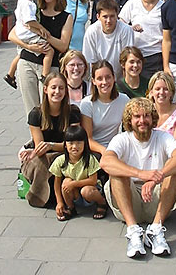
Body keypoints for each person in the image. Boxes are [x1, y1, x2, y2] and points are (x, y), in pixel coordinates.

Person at [101, 98, 176, 258]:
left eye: (146, 116)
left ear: (153, 117)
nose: (142, 120)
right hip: (129, 201)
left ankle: (155, 229)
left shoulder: (162, 137)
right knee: (116, 171)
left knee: (174, 168)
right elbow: (105, 162)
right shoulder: (121, 139)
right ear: (130, 120)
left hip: (157, 202)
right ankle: (133, 231)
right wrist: (140, 174)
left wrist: (158, 176)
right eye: (137, 116)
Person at [9, 0, 73, 115]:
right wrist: (29, 47)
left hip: (51, 66)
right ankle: (35, 137)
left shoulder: (66, 17)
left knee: (49, 107)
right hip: (27, 61)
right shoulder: (33, 12)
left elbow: (63, 46)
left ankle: (48, 135)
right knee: (31, 108)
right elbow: (12, 35)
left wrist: (45, 35)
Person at [19, 72, 81, 207]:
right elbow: (40, 146)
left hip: (65, 153)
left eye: (61, 88)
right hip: (44, 154)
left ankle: (47, 195)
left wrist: (51, 146)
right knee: (40, 161)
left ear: (66, 90)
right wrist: (42, 148)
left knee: (64, 159)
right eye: (53, 87)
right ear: (45, 89)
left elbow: (73, 144)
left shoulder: (73, 113)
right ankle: (39, 195)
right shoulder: (36, 114)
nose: (57, 92)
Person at [4, 0, 54, 89]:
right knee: (49, 51)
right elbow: (30, 21)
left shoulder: (21, 2)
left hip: (21, 33)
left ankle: (10, 74)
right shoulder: (28, 4)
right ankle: (45, 76)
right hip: (28, 34)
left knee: (21, 53)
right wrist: (42, 29)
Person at [50, 124, 107, 220]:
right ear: (65, 144)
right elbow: (57, 184)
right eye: (71, 143)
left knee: (86, 191)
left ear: (85, 143)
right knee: (66, 182)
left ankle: (102, 203)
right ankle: (71, 207)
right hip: (75, 192)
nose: (75, 146)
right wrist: (59, 202)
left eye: (79, 143)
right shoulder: (60, 160)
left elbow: (93, 180)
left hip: (90, 190)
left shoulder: (90, 159)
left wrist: (74, 183)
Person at [119, 0, 164, 78]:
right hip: (137, 57)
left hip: (157, 56)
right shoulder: (132, 4)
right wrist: (131, 28)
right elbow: (119, 25)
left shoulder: (163, 6)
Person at [80, 60, 129, 157]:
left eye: (108, 77)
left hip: (116, 147)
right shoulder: (87, 103)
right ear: (93, 81)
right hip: (95, 151)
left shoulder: (124, 99)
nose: (104, 82)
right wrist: (106, 151)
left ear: (114, 78)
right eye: (99, 78)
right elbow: (88, 139)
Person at [82, 0, 134, 78]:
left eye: (112, 16)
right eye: (105, 17)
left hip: (121, 78)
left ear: (117, 15)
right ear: (98, 17)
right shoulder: (91, 32)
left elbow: (127, 60)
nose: (109, 21)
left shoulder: (126, 30)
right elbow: (92, 63)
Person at [147, 71, 176, 144]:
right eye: (157, 89)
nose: (161, 92)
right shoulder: (146, 111)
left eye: (166, 89)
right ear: (151, 92)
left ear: (171, 92)